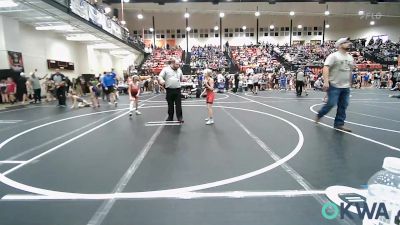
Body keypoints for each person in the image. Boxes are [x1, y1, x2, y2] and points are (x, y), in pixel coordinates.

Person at [315, 37, 354, 132]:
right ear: (339, 45)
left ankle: (339, 124)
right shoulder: (333, 56)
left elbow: (350, 70)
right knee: (331, 103)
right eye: (346, 42)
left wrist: (350, 82)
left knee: (343, 105)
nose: (349, 44)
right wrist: (326, 81)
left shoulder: (350, 57)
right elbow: (326, 67)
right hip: (334, 85)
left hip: (345, 86)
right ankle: (320, 114)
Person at [158, 58, 184, 122]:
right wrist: (161, 80)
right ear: (172, 63)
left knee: (178, 105)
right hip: (169, 90)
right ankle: (170, 117)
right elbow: (160, 76)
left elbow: (182, 78)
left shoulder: (179, 70)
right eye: (177, 64)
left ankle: (179, 118)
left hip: (178, 89)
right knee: (170, 105)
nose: (178, 66)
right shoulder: (166, 69)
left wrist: (184, 78)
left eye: (178, 64)